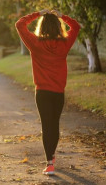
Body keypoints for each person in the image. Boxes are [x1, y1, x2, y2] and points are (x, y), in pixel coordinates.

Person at [15, 9, 81, 175]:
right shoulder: (64, 44)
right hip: (58, 92)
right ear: (58, 27)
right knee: (55, 124)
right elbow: (76, 26)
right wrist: (62, 16)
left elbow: (19, 24)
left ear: (41, 26)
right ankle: (52, 156)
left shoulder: (35, 43)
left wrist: (38, 13)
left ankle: (49, 163)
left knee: (47, 125)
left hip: (42, 92)